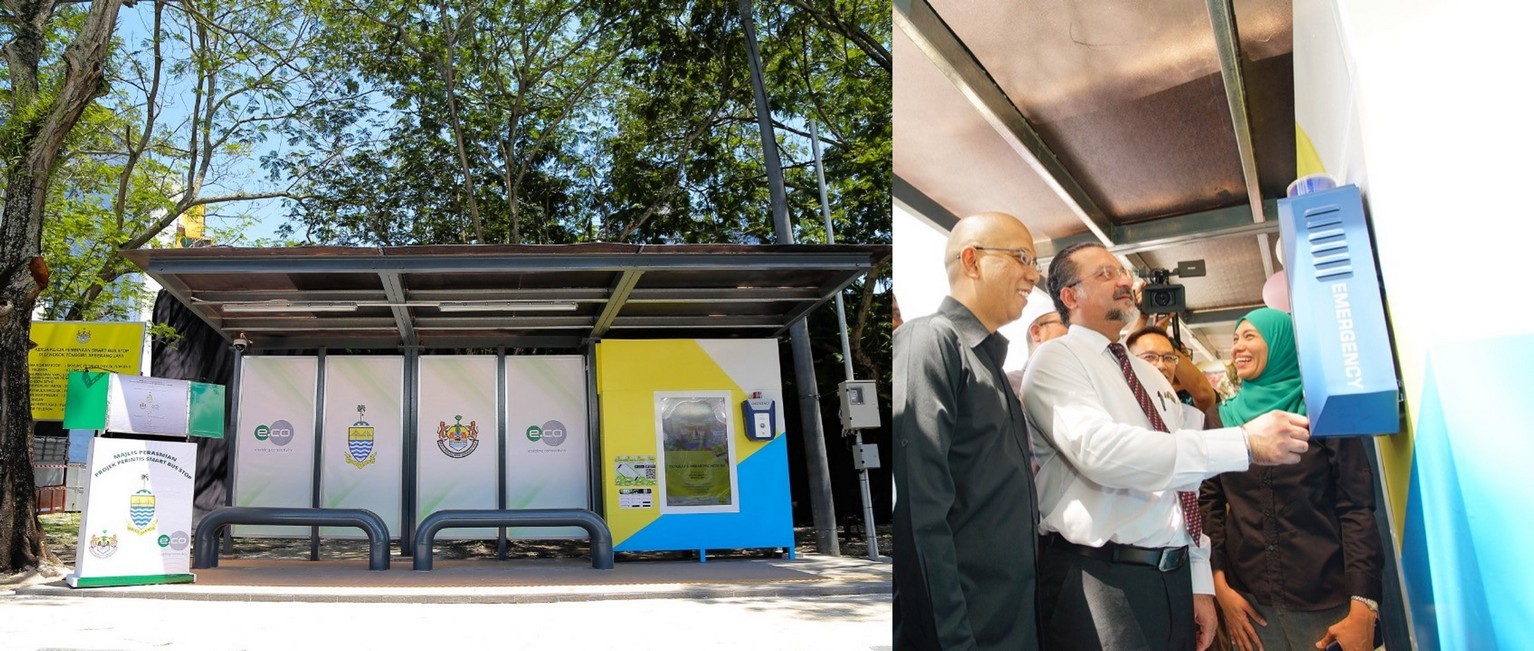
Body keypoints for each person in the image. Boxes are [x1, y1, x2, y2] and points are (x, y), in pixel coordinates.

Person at [1020, 242, 1311, 651]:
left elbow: (1182, 488)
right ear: (1070, 296)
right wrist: (1242, 443)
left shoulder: (1150, 375)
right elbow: (1104, 454)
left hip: (1170, 579)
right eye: (1104, 274)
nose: (1124, 280)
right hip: (1102, 582)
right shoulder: (1056, 360)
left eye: (1122, 272)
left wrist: (1196, 581)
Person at [893, 212, 1043, 650]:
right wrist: (952, 638)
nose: (1033, 274)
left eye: (1034, 262)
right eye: (1021, 257)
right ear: (972, 261)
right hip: (965, 632)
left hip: (1013, 623)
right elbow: (920, 514)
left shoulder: (990, 363)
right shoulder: (931, 342)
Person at [1202, 308, 1384, 651]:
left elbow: (1356, 507)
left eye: (1250, 336)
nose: (1238, 346)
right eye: (1236, 338)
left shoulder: (1322, 412)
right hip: (1250, 606)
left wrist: (1364, 603)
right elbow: (1208, 504)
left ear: (1281, 343)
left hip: (1327, 602)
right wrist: (1219, 586)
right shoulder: (1220, 419)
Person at [1126, 325, 1219, 421]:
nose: (1161, 365)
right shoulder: (1118, 409)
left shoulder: (1192, 418)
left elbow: (1204, 394)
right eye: (1150, 357)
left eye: (1169, 357)